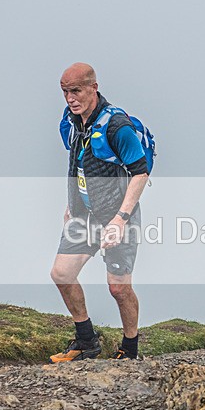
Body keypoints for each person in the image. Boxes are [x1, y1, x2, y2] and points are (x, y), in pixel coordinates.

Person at [49, 63, 149, 362]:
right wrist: (72, 204)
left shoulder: (117, 126)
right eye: (65, 92)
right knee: (62, 273)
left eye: (76, 91)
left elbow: (140, 173)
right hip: (85, 216)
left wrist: (120, 219)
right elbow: (80, 165)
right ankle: (86, 340)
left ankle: (129, 349)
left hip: (118, 216)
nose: (70, 98)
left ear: (94, 87)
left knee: (118, 288)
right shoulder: (71, 122)